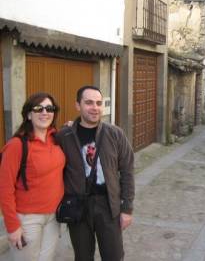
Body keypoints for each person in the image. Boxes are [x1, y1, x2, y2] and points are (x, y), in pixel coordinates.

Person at [56, 86, 134, 261]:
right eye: (89, 102)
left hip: (108, 205)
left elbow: (128, 171)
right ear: (78, 105)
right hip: (77, 206)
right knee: (82, 257)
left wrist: (127, 208)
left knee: (114, 256)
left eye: (99, 103)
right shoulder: (64, 137)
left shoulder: (115, 134)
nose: (95, 107)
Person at [0, 92, 65, 261]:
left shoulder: (56, 139)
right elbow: (5, 188)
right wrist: (13, 227)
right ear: (29, 114)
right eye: (38, 108)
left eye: (49, 108)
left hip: (54, 217)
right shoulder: (16, 145)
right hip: (28, 219)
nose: (45, 112)